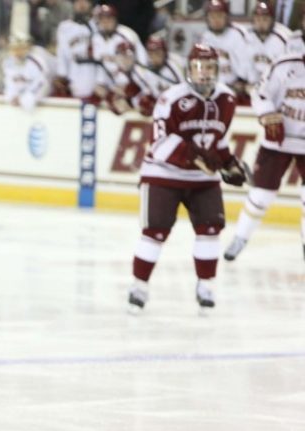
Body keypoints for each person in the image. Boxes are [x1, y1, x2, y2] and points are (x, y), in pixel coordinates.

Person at [127, 44, 249, 313]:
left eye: (209, 68)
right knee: (155, 232)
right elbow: (159, 144)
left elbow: (219, 142)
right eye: (198, 67)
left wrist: (229, 164)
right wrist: (195, 156)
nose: (204, 74)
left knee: (210, 230)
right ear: (188, 69)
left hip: (201, 180)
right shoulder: (171, 98)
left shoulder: (227, 99)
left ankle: (206, 285)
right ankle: (139, 286)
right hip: (163, 174)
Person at [225, 49, 305, 262]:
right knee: (261, 195)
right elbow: (260, 93)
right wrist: (268, 114)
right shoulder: (285, 65)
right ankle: (240, 238)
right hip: (278, 141)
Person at [196, 0, 251, 102]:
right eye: (212, 16)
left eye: (220, 16)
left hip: (237, 89)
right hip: (212, 90)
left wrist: (242, 81)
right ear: (207, 18)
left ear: (227, 17)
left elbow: (248, 63)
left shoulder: (238, 34)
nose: (216, 20)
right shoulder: (204, 38)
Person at [244, 1, 297, 85]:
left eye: (265, 19)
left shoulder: (283, 38)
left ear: (272, 20)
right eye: (257, 19)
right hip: (253, 85)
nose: (261, 23)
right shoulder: (247, 36)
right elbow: (247, 65)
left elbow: (288, 69)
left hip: (277, 85)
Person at [54, 0, 98, 98]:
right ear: (73, 4)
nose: (81, 5)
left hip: (96, 74)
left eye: (85, 1)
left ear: (91, 4)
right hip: (75, 73)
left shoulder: (99, 24)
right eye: (78, 1)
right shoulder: (64, 27)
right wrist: (62, 75)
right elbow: (62, 54)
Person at [3, 32, 54, 111]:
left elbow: (43, 85)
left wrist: (27, 98)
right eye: (14, 48)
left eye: (21, 48)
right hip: (18, 105)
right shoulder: (8, 63)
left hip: (41, 105)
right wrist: (13, 96)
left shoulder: (37, 62)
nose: (17, 52)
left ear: (28, 48)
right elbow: (10, 84)